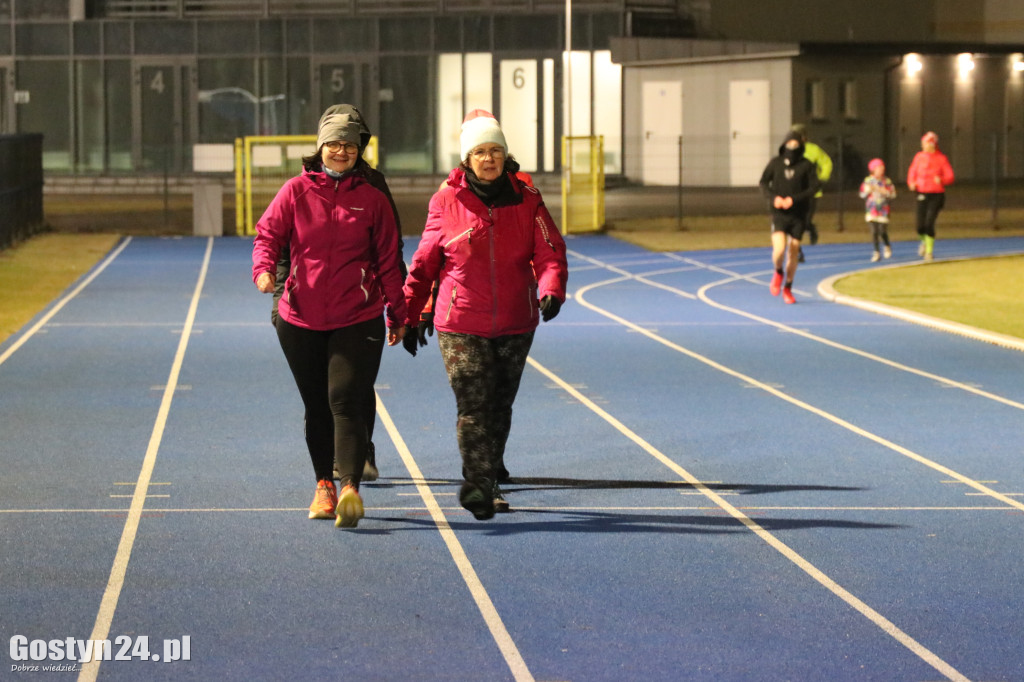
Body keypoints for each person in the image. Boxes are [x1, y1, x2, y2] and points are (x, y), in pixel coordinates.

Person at [402, 109, 568, 520]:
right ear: (466, 158)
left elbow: (550, 251)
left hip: (516, 319)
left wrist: (551, 288)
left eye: (495, 150)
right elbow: (425, 262)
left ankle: (487, 467)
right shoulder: (445, 201)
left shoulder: (528, 200)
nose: (489, 158)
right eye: (480, 151)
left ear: (505, 155)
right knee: (474, 403)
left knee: (500, 404)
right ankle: (480, 482)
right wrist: (409, 312)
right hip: (460, 322)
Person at [252, 105, 408, 529]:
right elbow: (269, 234)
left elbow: (389, 261)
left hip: (356, 316)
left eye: (349, 145)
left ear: (359, 150)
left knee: (346, 400)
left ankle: (350, 487)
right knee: (316, 406)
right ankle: (324, 484)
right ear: (320, 147)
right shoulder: (295, 191)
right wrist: (264, 270)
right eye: (334, 143)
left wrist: (400, 311)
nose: (341, 151)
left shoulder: (373, 200)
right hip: (299, 317)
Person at [759, 130, 820, 304]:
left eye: (795, 145)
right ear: (784, 145)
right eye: (789, 145)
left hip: (798, 215)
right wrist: (774, 198)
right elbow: (763, 182)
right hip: (779, 214)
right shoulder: (775, 163)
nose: (792, 148)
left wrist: (793, 200)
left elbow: (814, 187)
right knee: (779, 250)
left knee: (793, 250)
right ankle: (778, 271)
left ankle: (788, 287)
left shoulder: (807, 165)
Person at [907, 131, 954, 261]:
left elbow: (950, 176)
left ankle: (929, 252)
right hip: (921, 193)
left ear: (932, 144)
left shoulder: (941, 159)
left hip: (936, 195)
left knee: (929, 223)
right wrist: (911, 182)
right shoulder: (919, 157)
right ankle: (923, 241)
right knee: (919, 226)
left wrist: (942, 180)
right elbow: (912, 171)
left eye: (925, 143)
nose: (923, 145)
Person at [790, 123, 832, 263]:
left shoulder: (813, 150)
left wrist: (821, 179)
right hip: (794, 193)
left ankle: (810, 227)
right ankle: (798, 252)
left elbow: (827, 163)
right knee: (794, 223)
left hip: (811, 193)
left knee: (804, 221)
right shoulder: (788, 150)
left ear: (803, 137)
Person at [859, 158, 896, 262]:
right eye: (879, 168)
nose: (881, 170)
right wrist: (868, 190)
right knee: (874, 231)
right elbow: (862, 194)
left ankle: (887, 245)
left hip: (883, 210)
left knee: (882, 231)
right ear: (873, 169)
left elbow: (892, 194)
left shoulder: (887, 181)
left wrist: (885, 192)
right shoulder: (868, 181)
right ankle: (876, 252)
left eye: (882, 168)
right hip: (871, 210)